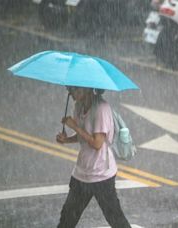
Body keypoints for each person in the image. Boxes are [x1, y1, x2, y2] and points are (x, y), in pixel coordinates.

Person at [56, 86, 131, 228]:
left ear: (87, 89)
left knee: (115, 218)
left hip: (101, 175)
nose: (71, 93)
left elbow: (97, 143)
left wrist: (75, 126)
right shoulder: (78, 106)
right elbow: (83, 137)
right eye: (70, 90)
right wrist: (66, 140)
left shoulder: (101, 109)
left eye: (75, 90)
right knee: (67, 217)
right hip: (82, 173)